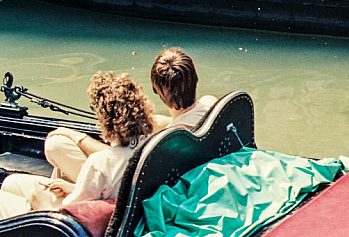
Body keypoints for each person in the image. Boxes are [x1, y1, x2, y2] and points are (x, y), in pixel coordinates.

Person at [41, 48, 214, 184]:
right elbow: (181, 120)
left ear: (156, 90)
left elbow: (121, 160)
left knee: (56, 145)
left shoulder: (163, 143)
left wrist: (78, 137)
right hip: (177, 174)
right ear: (195, 79)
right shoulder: (211, 105)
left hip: (127, 189)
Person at [0, 72, 155, 219]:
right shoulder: (151, 147)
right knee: (11, 182)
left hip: (63, 224)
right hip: (105, 213)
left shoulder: (99, 163)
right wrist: (71, 188)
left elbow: (70, 212)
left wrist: (42, 203)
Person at [150, 48, 218, 130]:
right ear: (195, 79)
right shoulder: (211, 103)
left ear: (156, 90)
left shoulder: (169, 135)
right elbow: (189, 117)